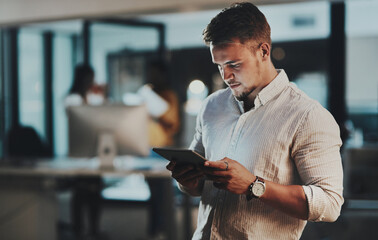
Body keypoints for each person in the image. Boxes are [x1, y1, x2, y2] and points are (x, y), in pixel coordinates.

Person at [166, 2, 344, 239]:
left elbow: (330, 204)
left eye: (234, 64)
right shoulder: (211, 106)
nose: (226, 76)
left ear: (263, 51)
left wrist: (254, 185)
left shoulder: (308, 116)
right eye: (219, 66)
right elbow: (197, 188)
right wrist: (187, 181)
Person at [65, 64, 105, 237]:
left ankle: (94, 229)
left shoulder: (91, 97)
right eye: (89, 78)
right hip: (79, 152)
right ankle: (78, 230)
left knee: (95, 192)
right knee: (80, 192)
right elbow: (81, 120)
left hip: (94, 152)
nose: (91, 82)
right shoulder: (72, 99)